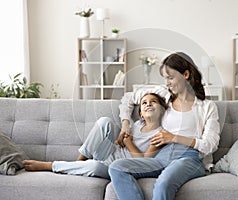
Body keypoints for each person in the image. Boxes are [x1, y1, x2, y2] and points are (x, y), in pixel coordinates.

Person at [109, 52, 221, 200]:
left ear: (186, 74)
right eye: (165, 78)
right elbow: (129, 97)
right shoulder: (165, 97)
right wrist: (125, 124)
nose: (167, 83)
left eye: (170, 77)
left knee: (163, 183)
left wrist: (174, 137)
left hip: (188, 158)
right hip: (161, 156)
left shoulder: (207, 107)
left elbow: (210, 144)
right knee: (116, 167)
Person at [22, 93, 168, 179]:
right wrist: (120, 138)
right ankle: (78, 162)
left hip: (117, 166)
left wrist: (129, 143)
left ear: (162, 110)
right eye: (144, 103)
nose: (148, 104)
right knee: (105, 121)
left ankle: (50, 166)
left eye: (153, 102)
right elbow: (120, 140)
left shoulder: (160, 133)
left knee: (95, 167)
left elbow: (146, 163)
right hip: (110, 154)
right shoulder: (135, 125)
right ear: (141, 113)